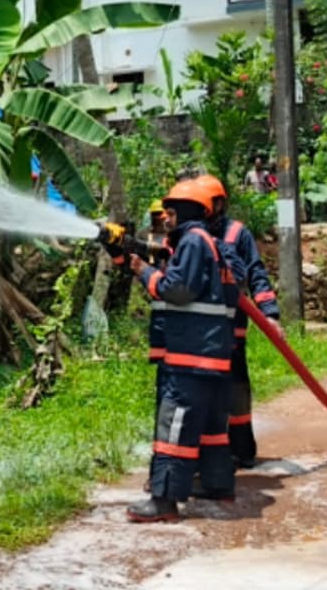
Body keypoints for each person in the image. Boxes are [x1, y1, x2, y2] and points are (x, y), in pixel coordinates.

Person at [126, 179, 239, 522]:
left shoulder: (192, 242)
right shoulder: (205, 243)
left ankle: (164, 501)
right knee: (209, 427)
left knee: (173, 427)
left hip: (189, 358)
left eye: (173, 209)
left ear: (192, 210)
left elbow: (177, 290)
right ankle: (218, 483)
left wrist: (143, 271)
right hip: (210, 357)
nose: (166, 215)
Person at [192, 174, 282, 468]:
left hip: (232, 329)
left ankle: (242, 449)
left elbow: (256, 274)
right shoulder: (191, 235)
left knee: (236, 389)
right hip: (201, 331)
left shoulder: (237, 234)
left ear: (219, 204)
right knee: (206, 394)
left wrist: (270, 314)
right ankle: (210, 454)